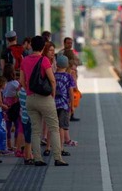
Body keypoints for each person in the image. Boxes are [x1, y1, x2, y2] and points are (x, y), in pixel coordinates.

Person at [19, 35, 68, 166]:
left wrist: (28, 90)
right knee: (54, 128)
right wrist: (52, 94)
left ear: (31, 46)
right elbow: (52, 80)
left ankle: (37, 159)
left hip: (30, 99)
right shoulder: (44, 60)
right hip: (45, 99)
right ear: (42, 47)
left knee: (35, 130)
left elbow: (22, 81)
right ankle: (58, 158)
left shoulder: (25, 61)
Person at [54, 55, 77, 153]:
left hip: (54, 105)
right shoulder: (68, 77)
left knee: (54, 127)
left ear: (57, 64)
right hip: (64, 106)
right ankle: (61, 148)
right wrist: (72, 106)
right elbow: (71, 93)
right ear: (67, 65)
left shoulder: (53, 75)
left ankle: (51, 147)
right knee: (62, 127)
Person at [2, 64, 24, 157]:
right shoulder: (15, 83)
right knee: (17, 125)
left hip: (6, 105)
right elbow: (20, 91)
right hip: (15, 106)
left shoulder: (4, 83)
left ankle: (8, 144)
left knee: (7, 126)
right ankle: (16, 144)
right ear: (12, 73)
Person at [18, 87, 34, 165]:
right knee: (28, 139)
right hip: (28, 117)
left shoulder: (22, 90)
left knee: (28, 138)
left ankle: (30, 155)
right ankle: (27, 157)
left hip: (24, 116)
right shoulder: (28, 91)